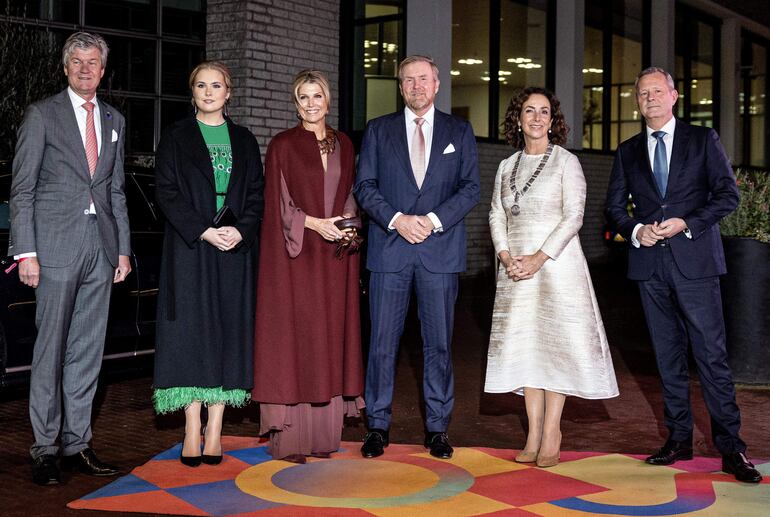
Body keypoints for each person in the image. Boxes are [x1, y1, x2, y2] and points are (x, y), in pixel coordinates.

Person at [605, 67, 762, 483]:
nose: (650, 98)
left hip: (696, 264)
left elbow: (727, 195)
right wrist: (637, 231)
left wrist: (686, 222)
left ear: (674, 96)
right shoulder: (627, 150)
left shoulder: (701, 139)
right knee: (667, 357)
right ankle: (678, 440)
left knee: (711, 357)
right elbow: (615, 209)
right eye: (643, 93)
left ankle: (731, 449)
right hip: (649, 267)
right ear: (636, 101)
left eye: (658, 91)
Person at [9, 31, 131, 485]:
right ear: (65, 68)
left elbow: (115, 190)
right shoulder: (42, 115)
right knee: (50, 352)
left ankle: (78, 443)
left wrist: (122, 249)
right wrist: (27, 252)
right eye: (76, 61)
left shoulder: (114, 119)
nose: (85, 69)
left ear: (103, 69)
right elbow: (21, 190)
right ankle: (45, 449)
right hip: (53, 251)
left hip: (100, 251)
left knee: (86, 352)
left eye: (93, 62)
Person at [485, 87, 619, 468]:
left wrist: (539, 257)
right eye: (529, 110)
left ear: (553, 119)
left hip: (556, 267)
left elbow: (574, 216)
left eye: (544, 111)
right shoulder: (506, 165)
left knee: (554, 346)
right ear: (518, 118)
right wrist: (506, 255)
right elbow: (497, 213)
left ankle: (552, 433)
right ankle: (532, 431)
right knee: (526, 348)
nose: (537, 118)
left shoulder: (566, 162)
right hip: (516, 269)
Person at [354, 55, 480, 460]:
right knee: (381, 345)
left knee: (439, 345)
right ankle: (376, 425)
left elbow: (470, 188)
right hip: (389, 253)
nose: (416, 86)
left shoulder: (459, 131)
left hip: (438, 254)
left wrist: (431, 220)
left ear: (437, 83)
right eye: (408, 80)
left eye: (423, 79)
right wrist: (396, 219)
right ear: (400, 86)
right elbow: (365, 186)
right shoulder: (378, 130)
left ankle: (438, 429)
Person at [152, 61, 264, 467]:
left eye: (217, 85)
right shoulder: (176, 137)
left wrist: (243, 230)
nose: (209, 91)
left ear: (229, 92)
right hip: (191, 250)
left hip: (234, 252)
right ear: (193, 92)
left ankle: (216, 429)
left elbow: (256, 193)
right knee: (192, 334)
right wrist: (202, 229)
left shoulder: (245, 140)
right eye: (201, 85)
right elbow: (165, 190)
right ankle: (190, 426)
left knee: (227, 333)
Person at [252, 70, 364, 463]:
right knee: (297, 339)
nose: (311, 103)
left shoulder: (344, 143)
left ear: (328, 100)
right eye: (304, 97)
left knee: (328, 338)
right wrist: (314, 224)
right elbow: (279, 204)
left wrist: (349, 227)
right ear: (295, 102)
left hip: (334, 260)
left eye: (318, 96)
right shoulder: (282, 145)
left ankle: (323, 436)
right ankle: (293, 438)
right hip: (296, 258)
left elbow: (350, 192)